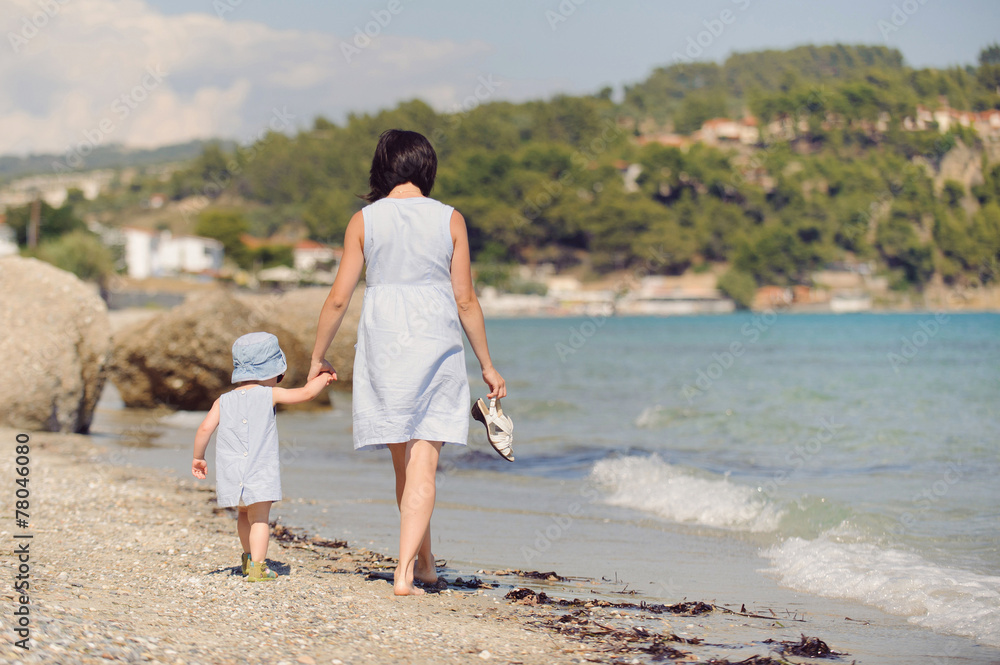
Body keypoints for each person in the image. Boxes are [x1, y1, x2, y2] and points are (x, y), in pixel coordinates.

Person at [308, 129, 506, 596]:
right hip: (434, 342)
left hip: (384, 344)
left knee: (405, 464)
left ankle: (426, 565)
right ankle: (404, 574)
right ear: (426, 167)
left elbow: (338, 299)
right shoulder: (449, 219)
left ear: (382, 168)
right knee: (423, 464)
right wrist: (488, 364)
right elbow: (466, 300)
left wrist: (317, 355)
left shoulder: (364, 220)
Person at [193, 332, 334, 582]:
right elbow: (306, 394)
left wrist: (198, 457)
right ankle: (258, 568)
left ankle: (247, 559)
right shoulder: (269, 394)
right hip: (258, 470)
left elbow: (204, 428)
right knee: (260, 519)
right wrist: (323, 377)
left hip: (232, 471)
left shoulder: (223, 400)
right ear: (272, 369)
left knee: (244, 515)